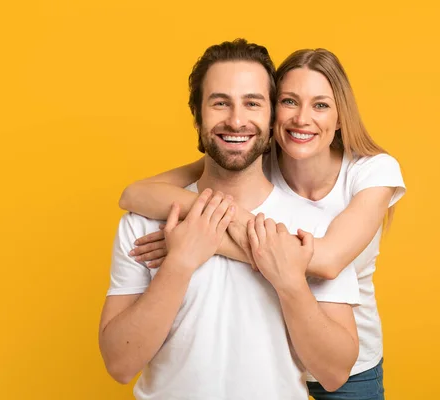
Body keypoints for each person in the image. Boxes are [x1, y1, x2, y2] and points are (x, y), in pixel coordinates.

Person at [121, 45, 406, 400]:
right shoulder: (254, 154)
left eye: (320, 105)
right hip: (279, 355)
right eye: (289, 101)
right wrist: (200, 228)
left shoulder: (372, 171)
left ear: (340, 116)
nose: (303, 119)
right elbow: (136, 193)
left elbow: (328, 262)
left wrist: (210, 241)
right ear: (273, 114)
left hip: (348, 362)